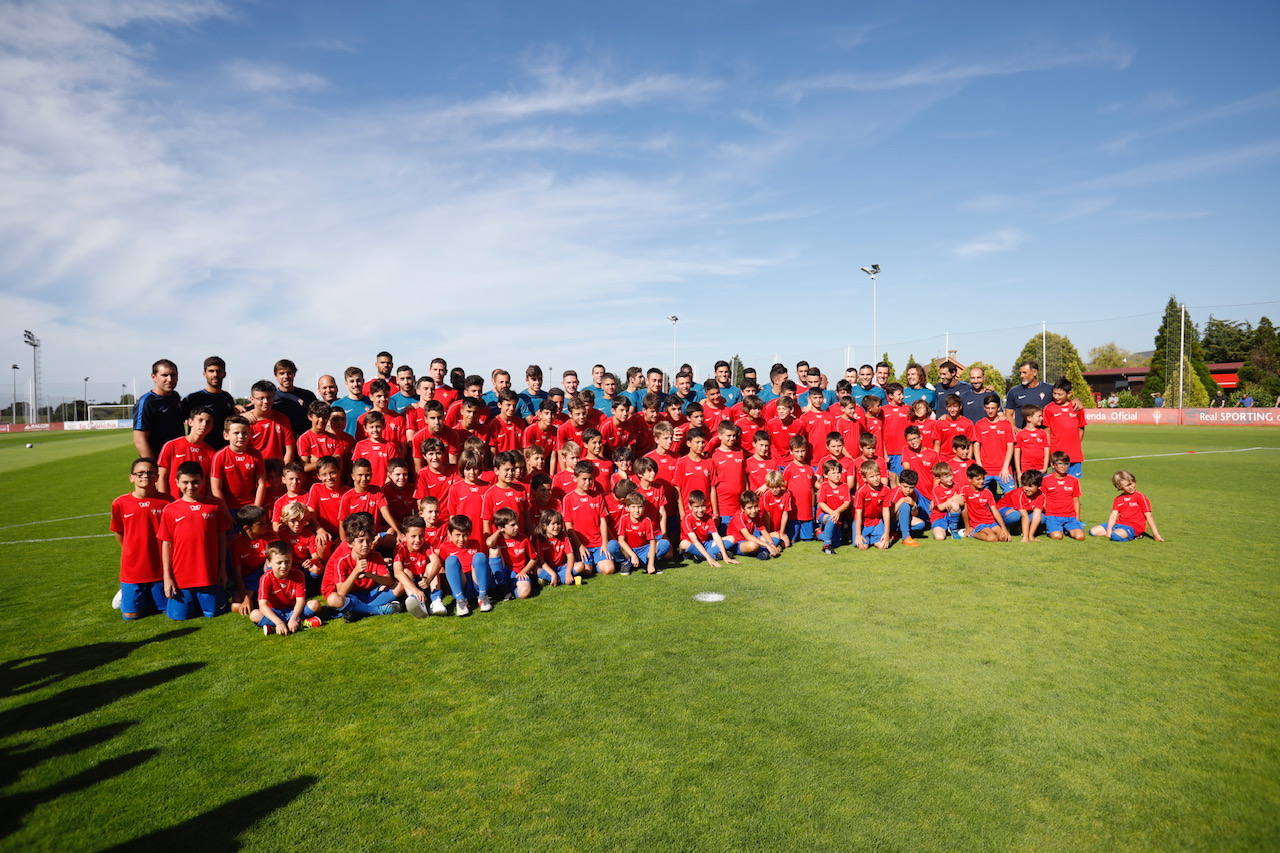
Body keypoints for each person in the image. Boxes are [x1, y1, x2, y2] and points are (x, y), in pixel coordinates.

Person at [158, 461, 231, 620]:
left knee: (213, 614)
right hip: (181, 577)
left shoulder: (214, 505)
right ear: (177, 482)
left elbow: (222, 539)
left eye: (195, 482)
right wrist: (167, 577)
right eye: (185, 482)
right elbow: (166, 544)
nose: (190, 487)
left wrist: (223, 568)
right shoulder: (170, 509)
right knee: (179, 617)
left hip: (209, 575)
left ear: (203, 481)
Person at [110, 457, 173, 619]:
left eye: (150, 473)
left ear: (157, 477)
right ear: (131, 477)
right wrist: (131, 550)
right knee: (131, 615)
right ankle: (126, 594)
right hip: (133, 568)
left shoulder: (168, 502)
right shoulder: (120, 503)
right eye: (140, 473)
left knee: (167, 610)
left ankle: (147, 596)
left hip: (160, 567)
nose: (145, 476)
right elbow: (118, 532)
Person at [323, 515, 403, 620]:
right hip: (352, 597)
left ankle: (357, 611)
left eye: (368, 540)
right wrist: (355, 572)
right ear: (350, 543)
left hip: (370, 593)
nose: (365, 545)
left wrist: (369, 575)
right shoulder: (341, 561)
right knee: (333, 599)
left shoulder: (376, 556)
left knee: (400, 586)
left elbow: (390, 582)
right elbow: (341, 592)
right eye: (360, 541)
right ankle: (377, 610)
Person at [252, 542, 324, 635]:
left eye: (287, 561)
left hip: (293, 610)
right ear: (269, 562)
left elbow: (300, 600)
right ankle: (301, 624)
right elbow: (263, 605)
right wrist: (278, 622)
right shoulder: (266, 578)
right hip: (275, 612)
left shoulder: (298, 574)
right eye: (279, 562)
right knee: (254, 614)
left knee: (315, 604)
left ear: (292, 560)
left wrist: (293, 617)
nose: (284, 566)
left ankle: (275, 627)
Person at [562, 461, 617, 575]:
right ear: (575, 478)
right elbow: (568, 526)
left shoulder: (598, 496)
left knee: (609, 569)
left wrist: (604, 543)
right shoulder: (568, 498)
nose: (588, 482)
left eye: (590, 479)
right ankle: (590, 564)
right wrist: (580, 546)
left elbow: (603, 521)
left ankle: (597, 562)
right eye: (584, 479)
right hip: (581, 544)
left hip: (598, 544)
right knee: (586, 571)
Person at [210, 416, 266, 514]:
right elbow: (216, 488)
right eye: (236, 433)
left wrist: (256, 508)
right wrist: (225, 512)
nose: (241, 436)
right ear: (226, 435)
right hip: (228, 507)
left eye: (244, 433)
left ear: (249, 434)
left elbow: (261, 483)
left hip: (250, 506)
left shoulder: (256, 455)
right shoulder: (219, 456)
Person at [157, 406, 216, 497]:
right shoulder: (171, 446)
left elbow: (209, 483)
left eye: (208, 422)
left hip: (200, 504)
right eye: (200, 420)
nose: (204, 424)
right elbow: (162, 476)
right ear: (190, 422)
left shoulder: (211, 452)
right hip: (174, 503)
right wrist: (164, 501)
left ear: (211, 427)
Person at [1091, 470, 1165, 542]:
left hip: (1134, 527)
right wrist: (1109, 530)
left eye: (1131, 483)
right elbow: (1113, 515)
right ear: (1120, 487)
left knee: (1115, 536)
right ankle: (1118, 532)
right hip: (1119, 524)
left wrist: (1156, 535)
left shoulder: (1140, 496)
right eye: (1127, 486)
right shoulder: (1118, 499)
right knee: (1093, 531)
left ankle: (1136, 535)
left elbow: (1149, 516)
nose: (1131, 487)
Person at [133, 358, 184, 459]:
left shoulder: (175, 396)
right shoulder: (147, 402)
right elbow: (139, 440)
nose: (169, 379)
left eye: (173, 375)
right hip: (159, 461)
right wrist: (154, 468)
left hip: (178, 459)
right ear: (154, 377)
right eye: (164, 375)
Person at [182, 356, 237, 449]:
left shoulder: (227, 398)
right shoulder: (193, 398)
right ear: (204, 374)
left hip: (222, 450)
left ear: (224, 374)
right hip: (198, 450)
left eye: (218, 371)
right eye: (211, 371)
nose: (215, 374)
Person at [612, 493, 670, 574]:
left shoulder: (647, 520)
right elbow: (621, 540)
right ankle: (625, 563)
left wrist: (651, 564)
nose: (637, 510)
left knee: (665, 544)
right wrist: (633, 555)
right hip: (629, 550)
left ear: (644, 508)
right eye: (633, 507)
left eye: (640, 507)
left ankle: (648, 563)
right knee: (612, 545)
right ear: (627, 508)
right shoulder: (624, 519)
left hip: (644, 550)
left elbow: (652, 541)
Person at [679, 490, 737, 565]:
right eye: (696, 507)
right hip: (693, 544)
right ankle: (713, 556)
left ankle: (700, 556)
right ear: (690, 507)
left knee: (731, 538)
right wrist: (709, 558)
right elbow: (695, 540)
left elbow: (716, 536)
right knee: (683, 544)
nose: (700, 510)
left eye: (703, 506)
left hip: (706, 544)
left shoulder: (709, 518)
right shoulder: (687, 519)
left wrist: (725, 556)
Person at [1043, 378, 1087, 477]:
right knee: (1059, 484)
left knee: (1073, 484)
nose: (1056, 397)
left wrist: (1076, 445)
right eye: (1054, 393)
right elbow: (1047, 432)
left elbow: (1081, 428)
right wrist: (1050, 454)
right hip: (1057, 455)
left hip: (1074, 455)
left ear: (1069, 394)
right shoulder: (1048, 409)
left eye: (1060, 394)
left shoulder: (1077, 408)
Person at [245, 379, 296, 464]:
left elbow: (290, 449)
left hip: (277, 472)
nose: (266, 402)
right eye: (261, 398)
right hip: (254, 470)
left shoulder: (282, 419)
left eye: (269, 398)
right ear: (252, 399)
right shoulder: (245, 421)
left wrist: (283, 471)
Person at [973, 393, 1016, 493]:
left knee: (1012, 496)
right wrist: (979, 465)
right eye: (988, 408)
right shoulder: (979, 424)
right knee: (978, 498)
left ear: (998, 408)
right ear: (984, 408)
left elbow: (1010, 446)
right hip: (985, 469)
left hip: (1003, 469)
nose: (990, 411)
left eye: (993, 408)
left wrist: (1005, 467)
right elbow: (976, 445)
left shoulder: (1005, 424)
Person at [1041, 451, 1085, 540]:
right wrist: (1047, 514)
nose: (1063, 466)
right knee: (1057, 536)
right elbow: (1042, 500)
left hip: (1070, 517)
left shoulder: (1074, 480)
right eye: (1060, 463)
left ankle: (1066, 528)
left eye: (1066, 464)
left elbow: (1076, 501)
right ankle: (1055, 528)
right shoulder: (1045, 480)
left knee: (1080, 537)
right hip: (1053, 516)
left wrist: (1077, 519)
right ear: (1053, 465)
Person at [960, 464, 1011, 542]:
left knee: (1004, 538)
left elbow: (995, 511)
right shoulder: (964, 490)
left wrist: (1004, 529)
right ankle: (972, 533)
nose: (982, 481)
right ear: (969, 479)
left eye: (983, 478)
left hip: (991, 521)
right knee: (992, 538)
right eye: (978, 479)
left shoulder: (987, 492)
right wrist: (967, 527)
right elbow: (964, 510)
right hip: (978, 523)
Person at [852, 460, 892, 550]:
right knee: (863, 547)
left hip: (877, 522)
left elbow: (886, 511)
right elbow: (858, 513)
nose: (876, 478)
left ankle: (875, 538)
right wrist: (858, 534)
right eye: (872, 476)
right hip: (863, 522)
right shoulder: (861, 491)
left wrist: (886, 533)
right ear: (864, 478)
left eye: (877, 475)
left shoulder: (886, 489)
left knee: (883, 546)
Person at [998, 470, 1046, 542]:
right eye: (1024, 485)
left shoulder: (1041, 495)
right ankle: (1005, 528)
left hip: (1022, 511)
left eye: (1030, 486)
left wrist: (1031, 536)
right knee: (1015, 515)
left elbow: (1037, 515)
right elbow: (1024, 515)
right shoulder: (1018, 494)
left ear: (1038, 486)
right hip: (1004, 509)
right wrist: (1025, 537)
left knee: (1042, 518)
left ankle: (1022, 529)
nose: (1026, 488)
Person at [816, 459, 851, 555]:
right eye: (833, 473)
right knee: (832, 520)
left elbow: (846, 503)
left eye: (838, 472)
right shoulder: (824, 486)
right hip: (823, 514)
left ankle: (819, 534)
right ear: (826, 475)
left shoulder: (844, 486)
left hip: (837, 515)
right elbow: (821, 503)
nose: (837, 475)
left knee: (837, 541)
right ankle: (826, 546)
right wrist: (832, 513)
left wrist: (837, 511)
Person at [1005, 360, 1054, 428]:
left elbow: (1064, 402)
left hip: (1044, 435)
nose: (1021, 376)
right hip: (1023, 436)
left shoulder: (1049, 389)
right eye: (1020, 373)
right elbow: (1008, 414)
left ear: (1034, 372)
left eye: (1024, 373)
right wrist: (1014, 428)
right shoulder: (1014, 391)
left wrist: (1074, 400)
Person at [1013, 405, 1050, 476]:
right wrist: (1018, 471)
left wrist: (1045, 468)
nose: (1042, 418)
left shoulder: (1043, 433)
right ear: (1029, 418)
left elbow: (1046, 451)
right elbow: (1017, 454)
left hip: (1041, 469)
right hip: (1027, 469)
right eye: (1039, 416)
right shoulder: (1020, 434)